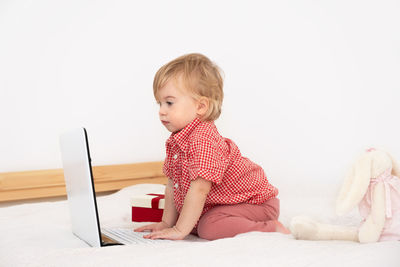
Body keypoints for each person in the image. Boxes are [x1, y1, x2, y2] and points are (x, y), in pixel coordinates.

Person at [135, 53, 290, 240]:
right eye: (159, 103)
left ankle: (271, 228)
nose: (161, 110)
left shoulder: (203, 140)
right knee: (198, 221)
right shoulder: (177, 140)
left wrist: (179, 230)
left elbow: (199, 189)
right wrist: (167, 224)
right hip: (226, 205)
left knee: (208, 226)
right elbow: (172, 186)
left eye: (169, 102)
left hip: (256, 204)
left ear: (201, 106)